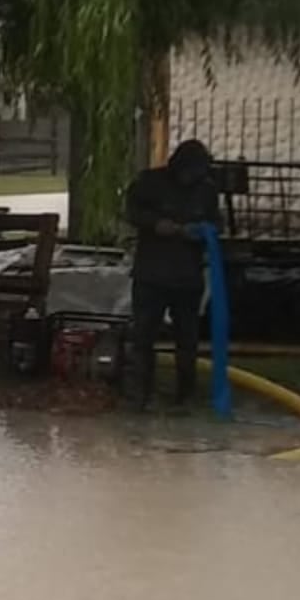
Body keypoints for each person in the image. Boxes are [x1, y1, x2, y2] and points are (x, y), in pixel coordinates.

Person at [125, 140, 222, 410]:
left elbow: (217, 222)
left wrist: (204, 230)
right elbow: (132, 212)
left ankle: (185, 396)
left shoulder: (206, 191)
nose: (195, 176)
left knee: (187, 339)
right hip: (152, 274)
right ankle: (140, 395)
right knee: (143, 335)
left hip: (187, 277)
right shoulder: (150, 183)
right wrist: (156, 224)